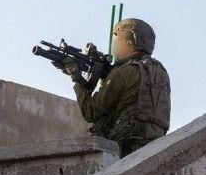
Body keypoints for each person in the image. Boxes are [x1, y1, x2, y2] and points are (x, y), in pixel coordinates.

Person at [60, 18, 171, 157]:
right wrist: (104, 77)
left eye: (118, 42)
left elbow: (91, 112)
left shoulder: (125, 71)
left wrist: (76, 77)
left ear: (128, 44)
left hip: (124, 150)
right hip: (154, 146)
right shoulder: (158, 71)